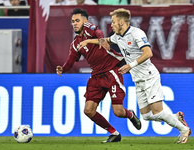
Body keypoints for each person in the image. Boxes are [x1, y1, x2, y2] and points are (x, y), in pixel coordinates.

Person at [78, 8, 192, 144]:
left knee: (158, 112)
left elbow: (148, 53)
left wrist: (130, 65)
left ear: (121, 22)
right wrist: (87, 42)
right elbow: (104, 41)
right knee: (147, 116)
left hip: (149, 76)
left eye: (113, 22)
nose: (111, 25)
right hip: (138, 80)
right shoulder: (117, 36)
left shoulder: (136, 33)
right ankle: (176, 117)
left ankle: (184, 129)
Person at [56, 8, 141, 143]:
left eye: (77, 21)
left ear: (85, 21)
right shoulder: (75, 44)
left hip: (111, 72)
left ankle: (130, 114)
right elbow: (70, 61)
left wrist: (101, 39)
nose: (75, 24)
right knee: (88, 110)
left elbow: (98, 32)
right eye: (73, 22)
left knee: (118, 112)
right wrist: (63, 68)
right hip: (96, 76)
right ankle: (114, 133)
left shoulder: (90, 30)